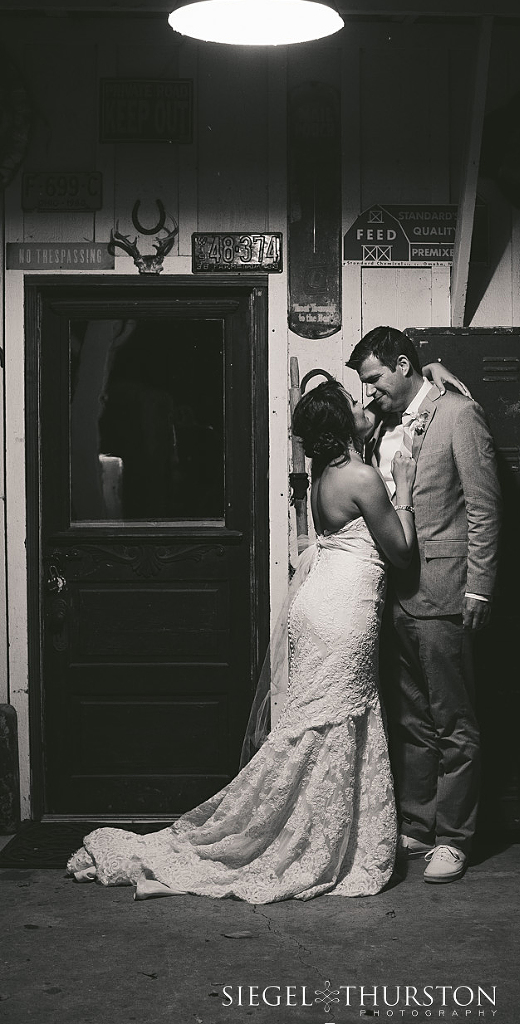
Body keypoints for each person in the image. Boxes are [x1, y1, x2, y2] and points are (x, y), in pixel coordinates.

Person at [66, 380, 417, 904]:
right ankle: (309, 843)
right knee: (332, 724)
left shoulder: (325, 474)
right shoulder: (364, 477)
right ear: (343, 425)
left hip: (318, 607)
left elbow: (358, 443)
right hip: (344, 613)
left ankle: (317, 833)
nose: (362, 405)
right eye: (352, 403)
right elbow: (403, 554)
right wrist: (405, 488)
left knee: (313, 726)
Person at [347, 327, 502, 885]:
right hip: (394, 595)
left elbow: (484, 507)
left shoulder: (459, 415)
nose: (368, 392)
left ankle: (455, 838)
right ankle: (417, 822)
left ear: (404, 365)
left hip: (445, 594)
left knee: (454, 721)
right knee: (412, 720)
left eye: (374, 379)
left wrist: (479, 587)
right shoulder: (382, 426)